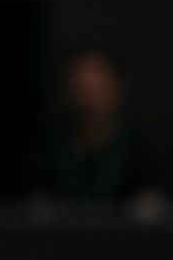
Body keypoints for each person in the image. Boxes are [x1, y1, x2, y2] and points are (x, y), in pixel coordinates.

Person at [26, 45, 168, 224]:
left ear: (117, 89)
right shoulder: (45, 151)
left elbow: (153, 204)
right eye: (80, 93)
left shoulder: (143, 152)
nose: (88, 105)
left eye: (96, 91)